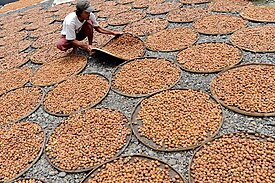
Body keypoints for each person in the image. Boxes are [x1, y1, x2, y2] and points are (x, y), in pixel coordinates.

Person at [56, 0, 122, 55]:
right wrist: (85, 46)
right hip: (69, 37)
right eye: (86, 12)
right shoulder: (70, 21)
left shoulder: (90, 15)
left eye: (89, 11)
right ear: (80, 12)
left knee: (89, 24)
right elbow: (71, 40)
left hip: (79, 33)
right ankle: (76, 47)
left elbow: (98, 28)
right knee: (60, 45)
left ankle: (90, 46)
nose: (89, 14)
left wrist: (113, 33)